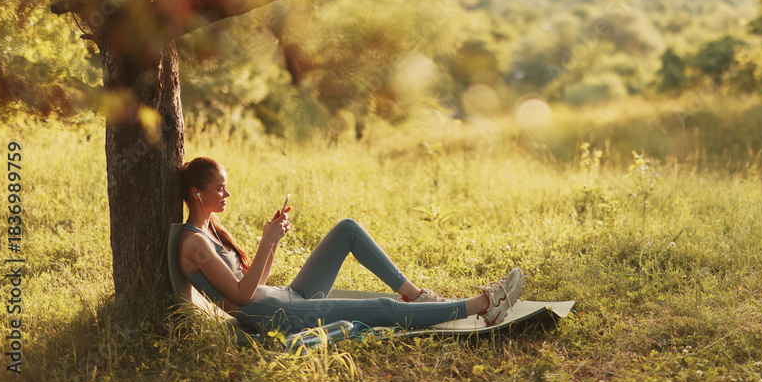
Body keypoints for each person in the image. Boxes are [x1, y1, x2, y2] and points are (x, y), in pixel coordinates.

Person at [177, 156, 524, 336]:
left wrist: (273, 242)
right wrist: (266, 240)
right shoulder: (195, 244)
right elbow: (239, 297)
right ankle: (483, 305)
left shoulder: (212, 229)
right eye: (220, 188)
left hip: (286, 295)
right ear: (197, 193)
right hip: (277, 317)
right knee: (380, 308)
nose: (227, 194)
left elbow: (253, 280)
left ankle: (416, 296)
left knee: (347, 229)